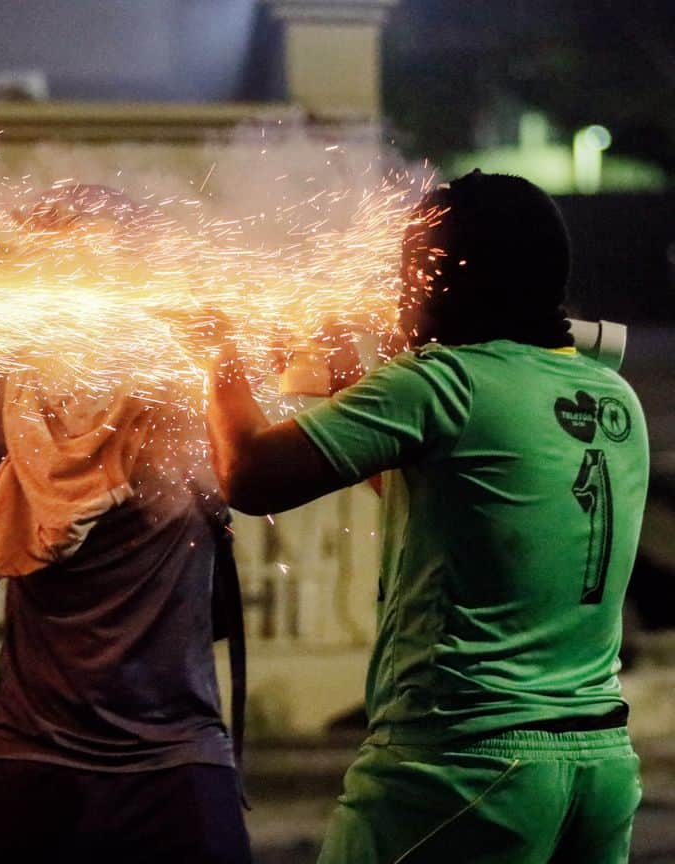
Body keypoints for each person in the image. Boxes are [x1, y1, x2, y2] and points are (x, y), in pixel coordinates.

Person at [196, 170, 648, 863]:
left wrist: (218, 356)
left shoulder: (443, 383)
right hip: (597, 766)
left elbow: (251, 474)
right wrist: (351, 383)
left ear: (450, 277)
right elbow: (461, 493)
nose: (399, 289)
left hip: (459, 763)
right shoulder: (611, 397)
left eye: (410, 267)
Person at [0, 185, 252, 864]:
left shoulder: (190, 386)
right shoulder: (2, 402)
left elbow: (275, 459)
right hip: (45, 760)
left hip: (166, 761)